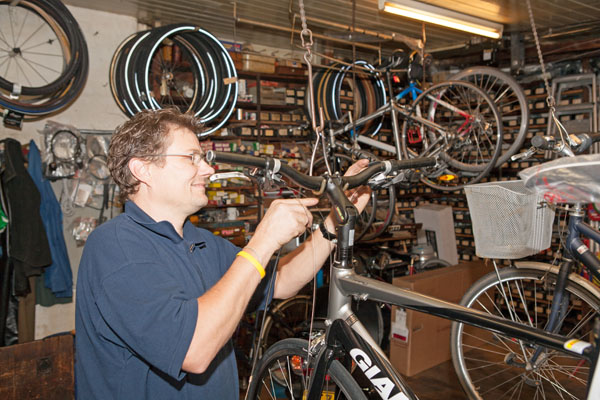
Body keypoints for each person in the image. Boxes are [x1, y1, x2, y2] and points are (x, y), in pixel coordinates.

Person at [75, 108, 370, 399]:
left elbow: (282, 281)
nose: (208, 169)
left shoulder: (200, 241)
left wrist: (335, 223)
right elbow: (193, 350)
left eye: (203, 158)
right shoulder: (115, 248)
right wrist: (263, 241)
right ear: (143, 169)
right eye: (191, 158)